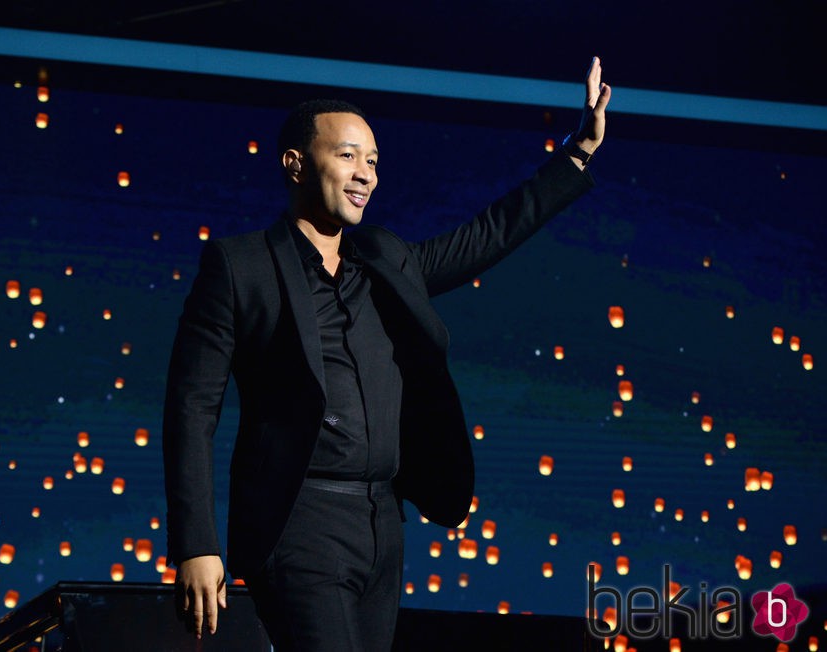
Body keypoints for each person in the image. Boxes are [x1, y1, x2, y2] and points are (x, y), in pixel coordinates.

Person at [163, 56, 611, 650]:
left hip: (381, 522)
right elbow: (192, 407)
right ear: (295, 164)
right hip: (299, 521)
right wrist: (196, 543)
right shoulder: (240, 266)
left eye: (372, 161)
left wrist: (576, 153)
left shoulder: (385, 258)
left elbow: (487, 235)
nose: (365, 174)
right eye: (347, 155)